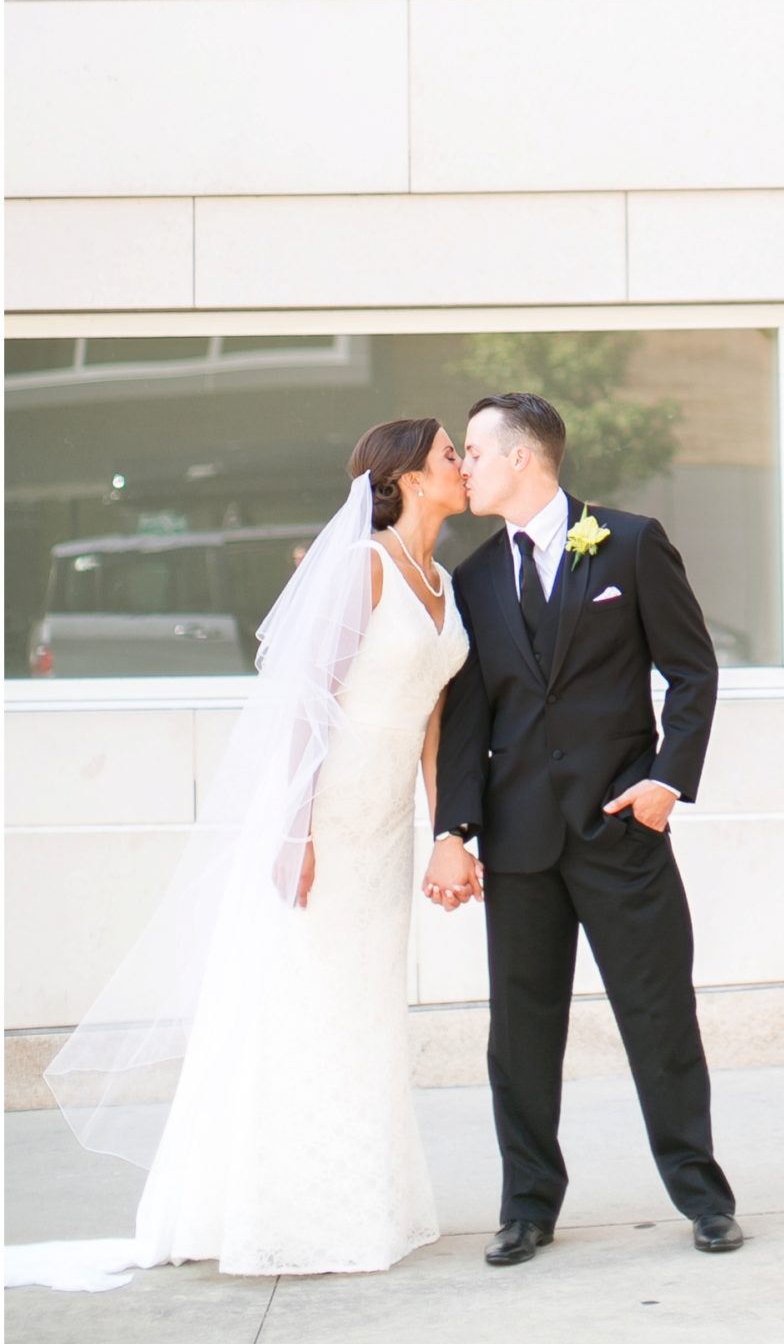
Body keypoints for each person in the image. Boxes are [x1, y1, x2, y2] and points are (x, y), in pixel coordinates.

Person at [8, 419, 470, 1289]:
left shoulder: (441, 580)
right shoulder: (364, 566)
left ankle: (368, 1197)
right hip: (323, 816)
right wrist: (293, 832)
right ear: (409, 477)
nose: (464, 465)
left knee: (364, 1006)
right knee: (299, 1001)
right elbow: (306, 702)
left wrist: (448, 832)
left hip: (385, 828)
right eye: (451, 454)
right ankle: (279, 1206)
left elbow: (433, 722)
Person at [424, 391, 741, 1264]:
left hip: (620, 833)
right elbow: (468, 719)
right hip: (520, 846)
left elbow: (691, 670)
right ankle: (526, 1206)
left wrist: (664, 783)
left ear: (522, 458)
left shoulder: (630, 544)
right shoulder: (476, 577)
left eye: (476, 455)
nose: (465, 469)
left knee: (659, 1016)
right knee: (520, 1035)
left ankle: (703, 1196)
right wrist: (454, 827)